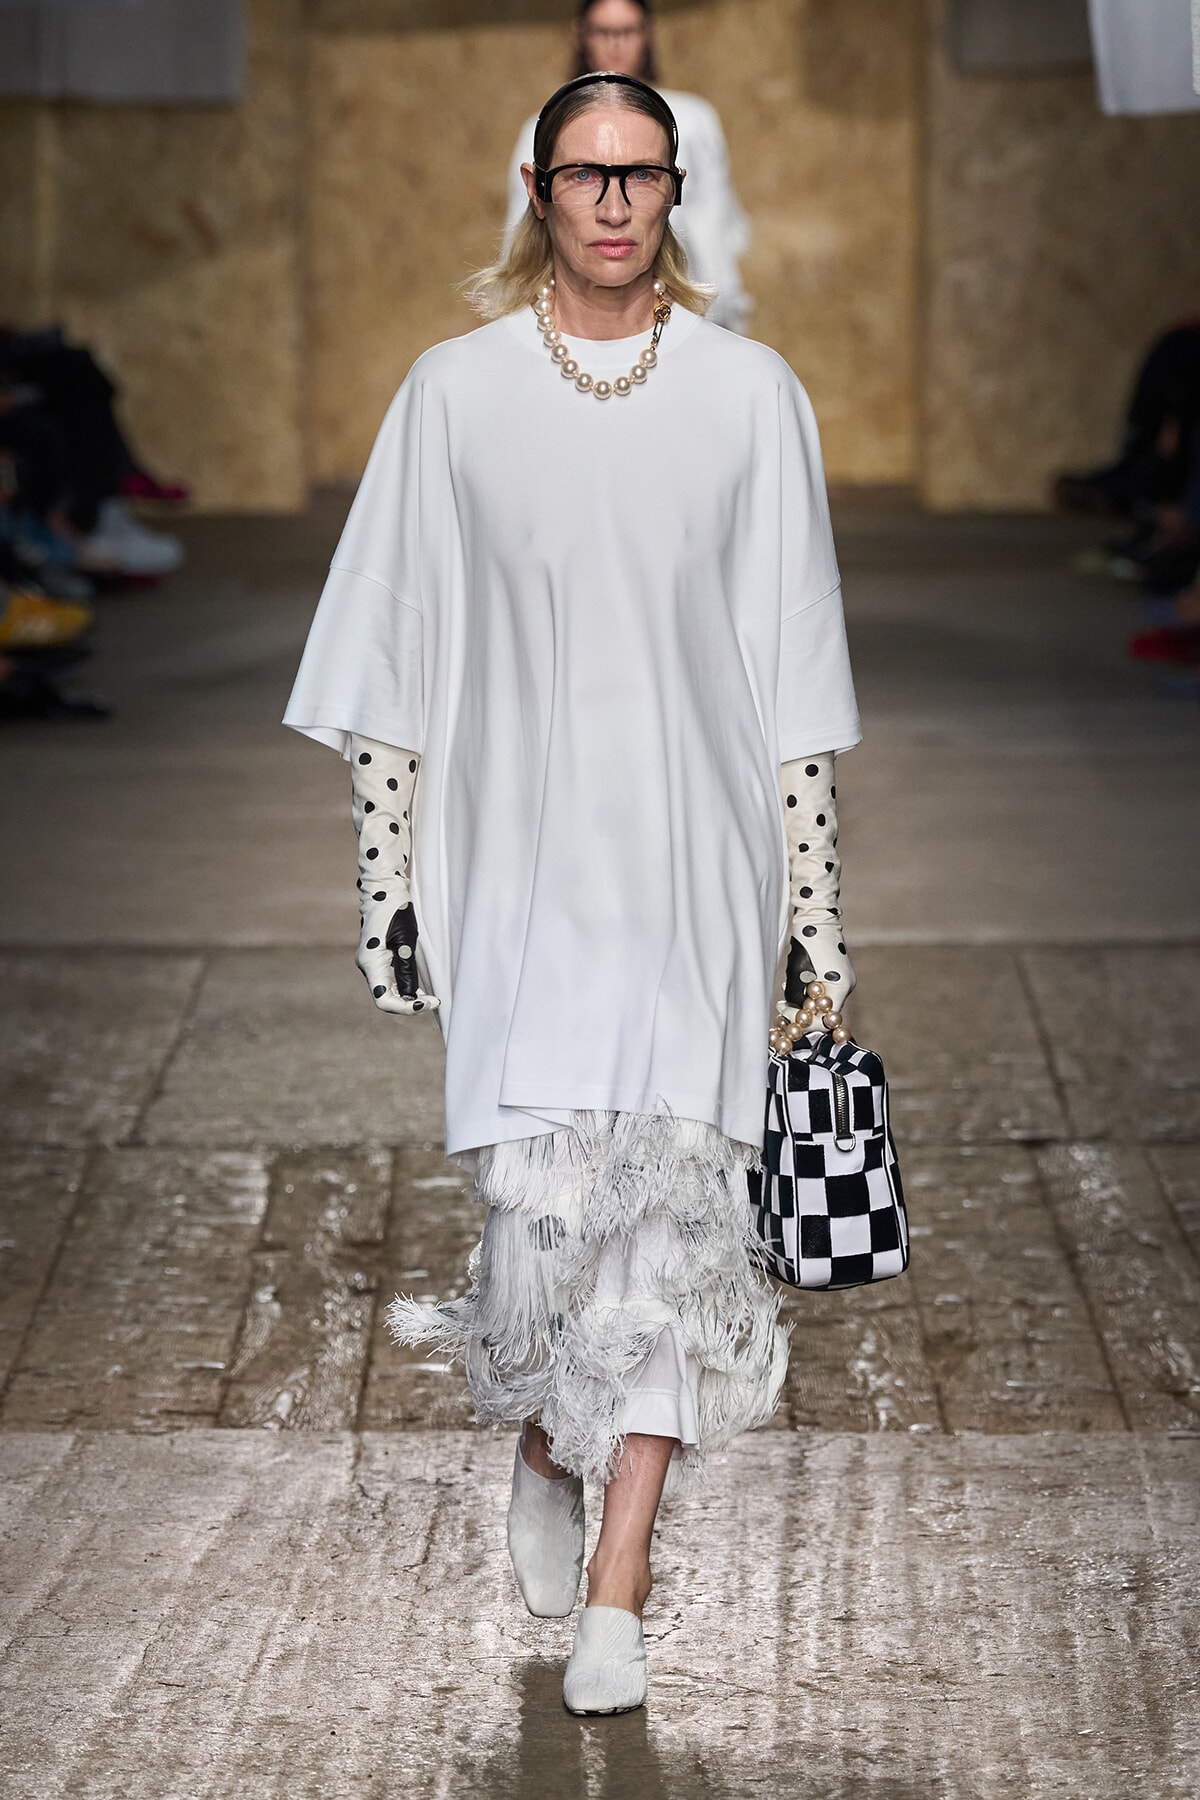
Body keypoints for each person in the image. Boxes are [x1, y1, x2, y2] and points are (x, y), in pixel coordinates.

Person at [285, 71, 859, 1716]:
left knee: (670, 1238)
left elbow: (794, 673)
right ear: (537, 189)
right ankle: (545, 1442)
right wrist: (386, 888)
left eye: (643, 177)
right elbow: (385, 658)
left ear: (676, 194)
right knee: (548, 1240)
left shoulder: (752, 396)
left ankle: (621, 1586)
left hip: (696, 873)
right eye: (585, 176)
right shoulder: (454, 397)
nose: (615, 203)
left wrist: (816, 907)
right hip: (525, 877)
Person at [504, 0, 752, 333]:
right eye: (604, 32)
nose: (616, 43)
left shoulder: (693, 120)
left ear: (646, 33)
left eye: (627, 31)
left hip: (683, 308)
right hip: (573, 320)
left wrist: (724, 315)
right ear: (582, 35)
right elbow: (521, 233)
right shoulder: (544, 126)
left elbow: (715, 223)